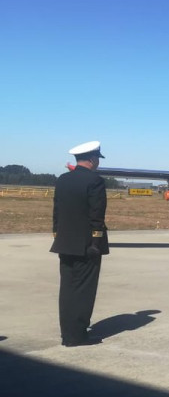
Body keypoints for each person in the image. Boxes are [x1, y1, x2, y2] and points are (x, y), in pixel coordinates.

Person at [51, 141, 109, 347]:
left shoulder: (63, 179)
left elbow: (57, 212)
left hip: (64, 243)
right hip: (86, 245)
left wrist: (57, 235)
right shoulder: (95, 181)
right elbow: (96, 215)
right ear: (93, 160)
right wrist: (96, 241)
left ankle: (67, 332)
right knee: (84, 290)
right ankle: (77, 335)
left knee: (67, 289)